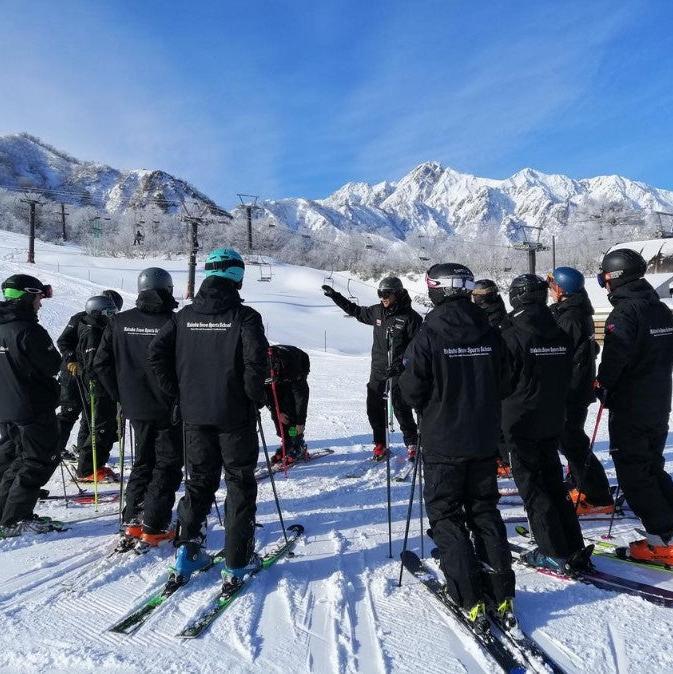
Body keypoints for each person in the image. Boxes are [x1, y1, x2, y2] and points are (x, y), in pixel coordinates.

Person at [399, 263, 515, 629]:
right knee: (484, 511)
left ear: (439, 289)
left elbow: (411, 389)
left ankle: (467, 595)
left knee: (446, 514)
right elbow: (508, 380)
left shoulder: (429, 331)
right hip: (482, 438)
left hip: (443, 440)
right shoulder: (489, 327)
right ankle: (502, 592)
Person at [148, 247, 268, 584]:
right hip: (234, 417)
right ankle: (237, 560)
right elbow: (256, 365)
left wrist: (178, 393)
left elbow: (156, 354)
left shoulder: (183, 316)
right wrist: (252, 399)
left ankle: (188, 552)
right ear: (236, 276)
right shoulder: (245, 317)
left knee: (199, 482)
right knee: (239, 483)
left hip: (194, 414)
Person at [501, 274, 591, 572]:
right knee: (553, 480)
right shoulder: (558, 330)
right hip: (552, 416)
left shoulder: (512, 333)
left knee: (533, 485)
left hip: (521, 419)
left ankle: (553, 550)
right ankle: (572, 543)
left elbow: (502, 380)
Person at [94, 268, 182, 549]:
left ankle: (133, 517)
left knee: (144, 461)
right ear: (167, 289)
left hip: (136, 405)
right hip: (170, 406)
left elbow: (100, 364)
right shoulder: (175, 321)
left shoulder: (119, 322)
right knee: (167, 464)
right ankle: (154, 524)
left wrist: (121, 395)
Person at [596, 249, 673, 564]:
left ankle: (663, 539)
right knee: (651, 467)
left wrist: (603, 385)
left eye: (604, 278)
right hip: (658, 401)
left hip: (632, 405)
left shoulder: (626, 313)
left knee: (633, 473)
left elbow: (616, 359)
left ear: (614, 277)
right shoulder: (661, 309)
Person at [322, 277, 421, 461]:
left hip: (400, 370)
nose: (382, 298)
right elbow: (356, 311)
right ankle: (380, 443)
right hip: (378, 368)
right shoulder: (377, 312)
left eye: (386, 294)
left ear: (397, 293)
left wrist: (401, 364)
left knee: (401, 406)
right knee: (374, 407)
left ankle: (412, 442)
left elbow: (417, 348)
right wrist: (335, 296)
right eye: (380, 294)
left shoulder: (411, 318)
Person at [547, 267, 613, 514]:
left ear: (562, 289)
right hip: (575, 387)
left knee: (572, 442)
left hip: (571, 390)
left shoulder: (571, 317)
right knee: (569, 440)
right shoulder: (572, 310)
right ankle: (581, 483)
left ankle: (598, 495)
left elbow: (564, 355)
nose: (551, 291)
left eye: (553, 286)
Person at [0, 274, 61, 533]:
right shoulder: (28, 330)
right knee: (37, 460)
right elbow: (52, 364)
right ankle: (15, 518)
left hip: (7, 407)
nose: (40, 303)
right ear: (27, 296)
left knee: (14, 458)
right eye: (38, 297)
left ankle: (6, 513)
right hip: (31, 407)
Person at [56, 289, 123, 460]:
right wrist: (71, 358)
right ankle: (53, 447)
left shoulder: (110, 323)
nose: (113, 314)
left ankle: (83, 449)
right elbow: (63, 341)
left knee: (89, 413)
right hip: (72, 373)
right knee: (69, 411)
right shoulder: (80, 319)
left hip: (90, 373)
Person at [72, 295, 120, 481]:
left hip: (101, 385)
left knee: (106, 426)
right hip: (98, 387)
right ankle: (86, 469)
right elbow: (94, 365)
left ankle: (96, 465)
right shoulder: (92, 332)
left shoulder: (99, 327)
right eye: (110, 313)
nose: (113, 316)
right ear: (97, 313)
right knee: (101, 426)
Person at [472, 279, 511, 478]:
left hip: (494, 372)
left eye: (477, 295)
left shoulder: (492, 316)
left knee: (496, 420)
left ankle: (503, 460)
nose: (474, 298)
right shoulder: (489, 312)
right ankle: (498, 457)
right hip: (489, 371)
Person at [266, 344, 311, 465]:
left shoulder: (292, 370)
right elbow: (267, 395)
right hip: (278, 378)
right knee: (279, 415)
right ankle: (287, 442)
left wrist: (300, 422)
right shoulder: (259, 368)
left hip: (295, 370)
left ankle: (297, 444)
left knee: (291, 415)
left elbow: (301, 398)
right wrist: (276, 411)